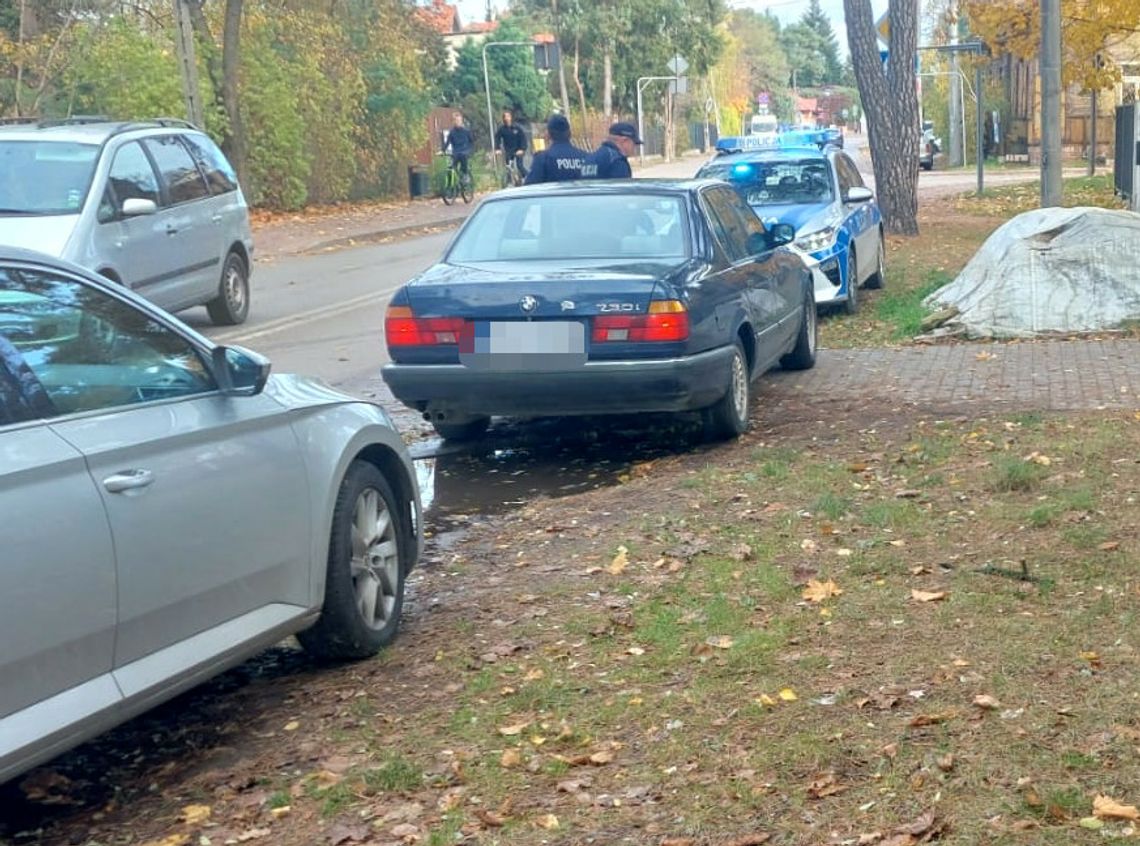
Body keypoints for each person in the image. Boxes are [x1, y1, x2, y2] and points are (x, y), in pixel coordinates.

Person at [525, 114, 592, 184]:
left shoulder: (543, 159)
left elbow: (530, 187)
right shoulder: (586, 158)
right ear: (570, 133)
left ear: (548, 135)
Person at [494, 110, 529, 181]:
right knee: (508, 167)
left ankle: (529, 177)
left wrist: (522, 149)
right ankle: (509, 182)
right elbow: (497, 138)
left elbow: (523, 139)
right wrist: (497, 149)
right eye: (505, 117)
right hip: (509, 151)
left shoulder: (517, 128)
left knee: (520, 166)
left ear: (511, 117)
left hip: (518, 150)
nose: (506, 118)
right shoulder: (502, 129)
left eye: (508, 116)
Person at [443, 112, 474, 178]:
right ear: (453, 121)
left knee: (463, 157)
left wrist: (469, 150)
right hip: (456, 152)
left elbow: (471, 142)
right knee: (451, 167)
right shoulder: (452, 132)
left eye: (458, 120)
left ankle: (465, 175)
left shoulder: (466, 131)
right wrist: (442, 150)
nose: (457, 122)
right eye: (455, 120)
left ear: (461, 121)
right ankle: (452, 181)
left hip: (464, 151)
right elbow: (447, 142)